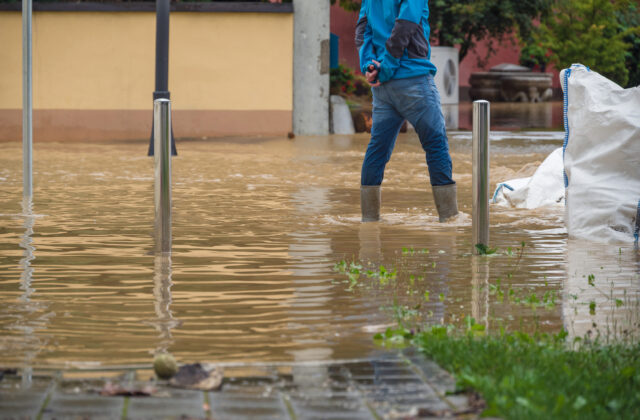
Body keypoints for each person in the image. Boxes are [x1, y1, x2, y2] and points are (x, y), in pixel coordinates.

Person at [355, 0, 458, 223]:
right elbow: (406, 25)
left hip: (383, 87)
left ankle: (369, 222)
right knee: (436, 144)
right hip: (413, 80)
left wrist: (369, 67)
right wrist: (388, 67)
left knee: (378, 149)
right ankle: (450, 221)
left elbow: (362, 30)